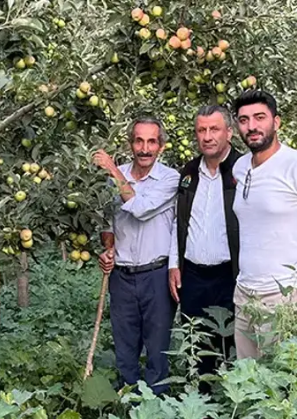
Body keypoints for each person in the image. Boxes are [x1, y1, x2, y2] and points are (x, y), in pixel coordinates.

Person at [93, 117, 179, 395]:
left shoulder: (169, 179)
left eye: (151, 141)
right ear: (131, 144)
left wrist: (113, 170)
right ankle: (127, 402)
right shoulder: (113, 181)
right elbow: (108, 223)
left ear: (161, 146)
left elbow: (139, 207)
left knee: (157, 348)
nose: (144, 148)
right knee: (125, 347)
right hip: (122, 276)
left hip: (156, 274)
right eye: (139, 141)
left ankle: (157, 406)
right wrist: (109, 248)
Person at [168, 105, 242, 386]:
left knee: (231, 347)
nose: (207, 136)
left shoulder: (243, 170)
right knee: (196, 349)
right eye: (202, 130)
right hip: (194, 276)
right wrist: (175, 264)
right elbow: (179, 222)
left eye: (214, 129)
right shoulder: (188, 174)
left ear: (229, 132)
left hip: (230, 275)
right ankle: (200, 406)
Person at [230, 90, 297, 359]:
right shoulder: (240, 167)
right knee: (247, 382)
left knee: (280, 386)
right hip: (245, 293)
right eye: (244, 120)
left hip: (283, 296)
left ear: (276, 122)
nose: (252, 126)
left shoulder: (292, 164)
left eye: (260, 117)